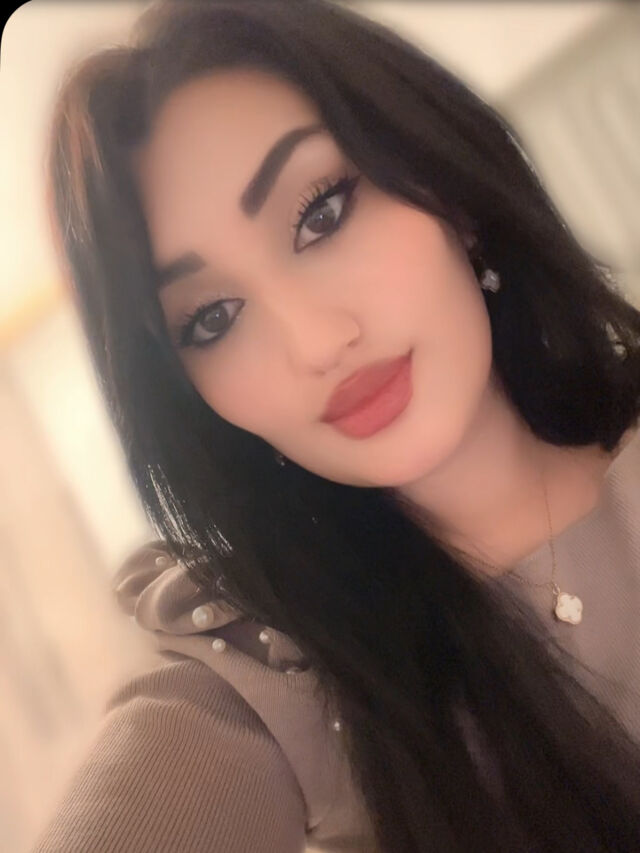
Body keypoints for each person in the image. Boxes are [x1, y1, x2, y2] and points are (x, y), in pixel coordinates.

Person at [34, 0, 640, 850]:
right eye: (213, 318)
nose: (316, 343)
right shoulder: (274, 681)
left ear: (445, 189)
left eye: (321, 214)